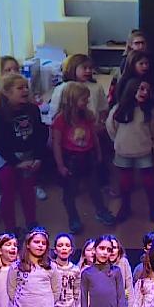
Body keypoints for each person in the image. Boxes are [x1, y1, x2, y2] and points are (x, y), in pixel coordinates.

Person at [51, 82, 116, 234]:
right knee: (70, 192)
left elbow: (93, 136)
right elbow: (56, 144)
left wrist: (99, 152)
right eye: (84, 99)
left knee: (94, 187)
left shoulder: (86, 116)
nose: (87, 102)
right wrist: (60, 165)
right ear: (72, 100)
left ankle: (101, 211)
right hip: (70, 159)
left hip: (88, 157)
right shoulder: (60, 120)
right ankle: (73, 218)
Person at [0, 72, 48, 233]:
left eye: (26, 87)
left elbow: (40, 135)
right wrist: (16, 163)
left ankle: (31, 223)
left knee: (28, 192)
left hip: (29, 157)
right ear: (8, 93)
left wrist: (38, 157)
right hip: (7, 160)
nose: (25, 90)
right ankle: (11, 229)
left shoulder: (32, 110)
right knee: (8, 195)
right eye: (20, 88)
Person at [106, 77, 154, 222]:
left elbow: (153, 130)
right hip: (124, 151)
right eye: (141, 88)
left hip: (143, 151)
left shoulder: (149, 111)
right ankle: (125, 207)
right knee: (125, 181)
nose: (145, 92)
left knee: (149, 180)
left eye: (147, 90)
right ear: (132, 89)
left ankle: (153, 208)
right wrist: (118, 142)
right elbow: (111, 128)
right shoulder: (118, 109)